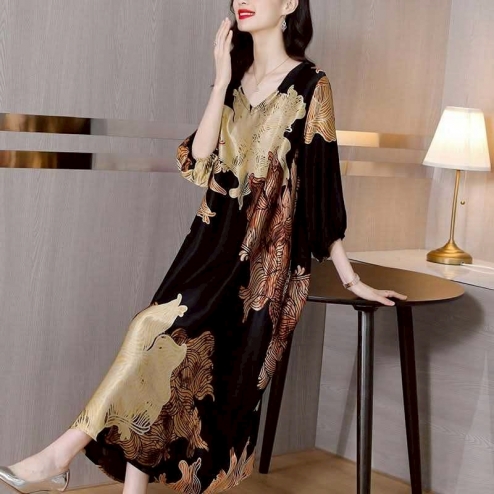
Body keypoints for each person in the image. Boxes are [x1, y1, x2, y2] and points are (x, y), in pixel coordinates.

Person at [0, 1, 407, 493]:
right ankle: (93, 473)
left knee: (156, 339)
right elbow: (199, 156)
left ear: (289, 5)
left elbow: (322, 187)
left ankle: (60, 454)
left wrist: (350, 277)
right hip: (206, 247)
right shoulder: (235, 80)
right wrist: (219, 81)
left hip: (258, 265)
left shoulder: (311, 85)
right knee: (156, 351)